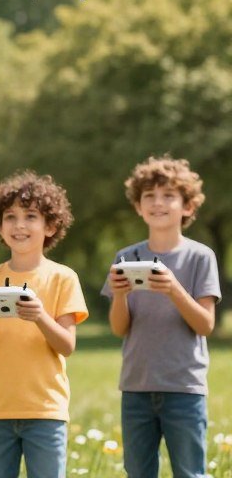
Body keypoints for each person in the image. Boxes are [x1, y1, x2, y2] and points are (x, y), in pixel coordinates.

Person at [0, 170, 88, 478]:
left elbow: (66, 346)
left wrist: (40, 316)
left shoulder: (63, 278)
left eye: (31, 216)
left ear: (50, 226)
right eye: (10, 216)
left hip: (45, 411)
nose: (19, 225)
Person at [102, 155, 221, 478]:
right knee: (138, 473)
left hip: (184, 388)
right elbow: (119, 328)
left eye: (169, 195)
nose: (158, 203)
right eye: (149, 196)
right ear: (138, 207)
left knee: (190, 472)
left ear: (188, 207)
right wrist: (122, 294)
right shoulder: (125, 257)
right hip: (136, 388)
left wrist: (173, 289)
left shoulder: (200, 257)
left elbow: (205, 325)